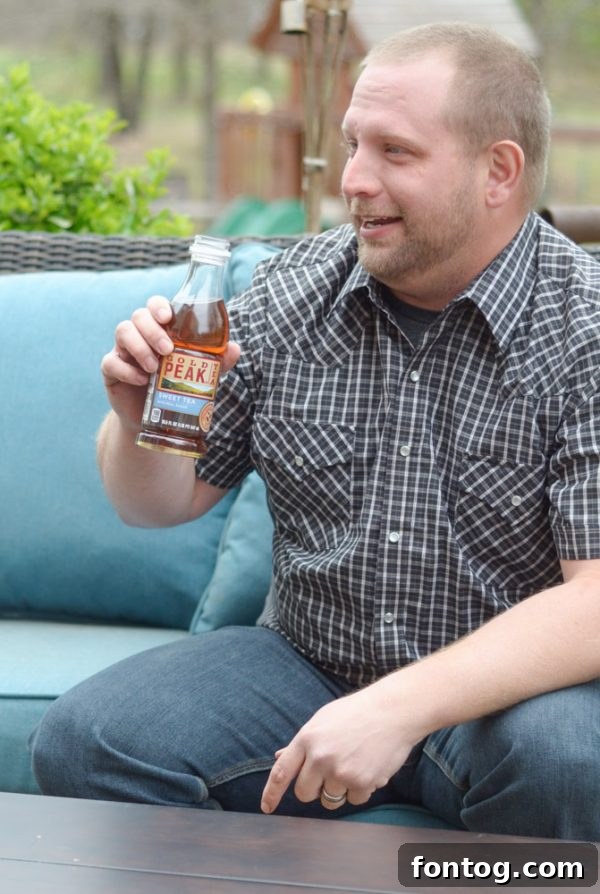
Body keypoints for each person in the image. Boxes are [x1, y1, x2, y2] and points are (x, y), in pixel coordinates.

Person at [31, 22, 600, 840]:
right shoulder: (292, 289)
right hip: (308, 663)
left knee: (572, 761)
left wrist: (394, 709)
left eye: (395, 153)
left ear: (497, 172)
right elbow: (157, 505)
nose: (355, 181)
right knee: (92, 742)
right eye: (351, 144)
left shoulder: (583, 326)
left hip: (508, 699)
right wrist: (140, 420)